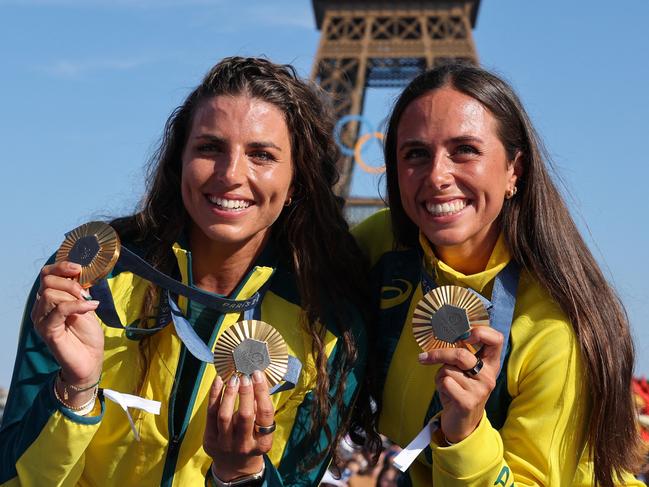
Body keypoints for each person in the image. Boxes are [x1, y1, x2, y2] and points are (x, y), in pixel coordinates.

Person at [0, 57, 373, 486]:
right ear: (180, 162)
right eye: (209, 148)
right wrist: (75, 392)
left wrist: (240, 474)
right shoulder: (88, 277)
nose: (231, 174)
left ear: (297, 184)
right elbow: (14, 476)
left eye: (261, 154)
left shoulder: (328, 325)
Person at [353, 62, 645, 486]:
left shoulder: (557, 327)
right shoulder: (380, 245)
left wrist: (467, 433)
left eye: (465, 150)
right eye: (415, 153)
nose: (437, 175)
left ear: (515, 170)